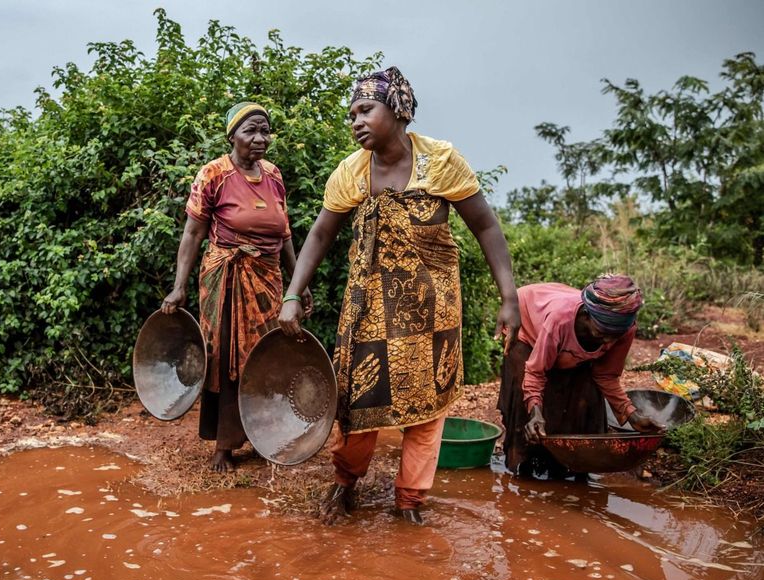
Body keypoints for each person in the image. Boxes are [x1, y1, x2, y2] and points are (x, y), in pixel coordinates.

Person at [277, 68, 520, 525]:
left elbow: (486, 227)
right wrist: (293, 293)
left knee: (427, 408)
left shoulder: (441, 161)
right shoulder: (351, 172)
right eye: (351, 114)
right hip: (368, 307)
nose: (356, 121)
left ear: (399, 111)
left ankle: (409, 500)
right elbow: (320, 234)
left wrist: (509, 298)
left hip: (433, 309)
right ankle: (345, 481)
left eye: (365, 110)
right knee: (356, 399)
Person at [161, 102, 312, 473]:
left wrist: (298, 284)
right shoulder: (213, 174)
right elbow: (193, 233)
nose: (259, 139)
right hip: (226, 280)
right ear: (233, 136)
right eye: (250, 131)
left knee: (267, 355)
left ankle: (266, 436)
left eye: (264, 131)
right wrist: (178, 287)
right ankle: (224, 446)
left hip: (268, 278)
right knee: (226, 357)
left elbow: (285, 234)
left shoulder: (274, 175)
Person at [498, 275, 664, 478]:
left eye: (614, 336)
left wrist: (632, 416)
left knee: (583, 397)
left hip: (561, 331)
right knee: (524, 399)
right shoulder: (561, 319)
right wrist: (535, 412)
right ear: (586, 315)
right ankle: (521, 472)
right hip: (527, 318)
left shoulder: (624, 329)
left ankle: (566, 466)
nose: (607, 341)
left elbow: (606, 375)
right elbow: (536, 371)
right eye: (602, 332)